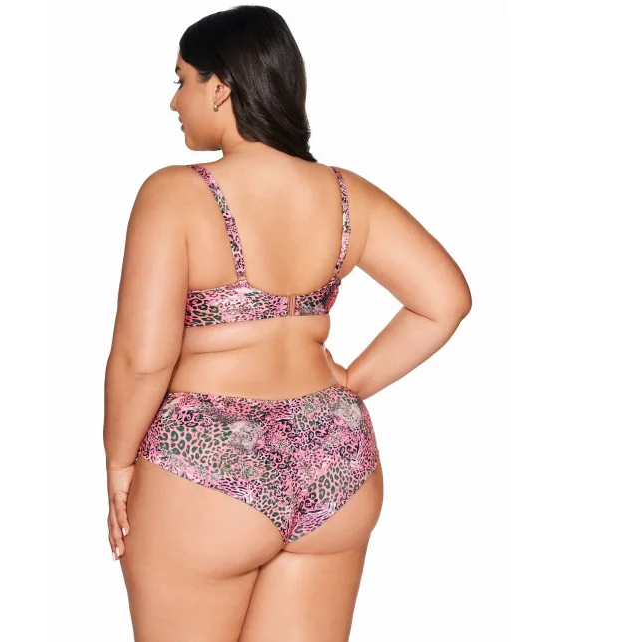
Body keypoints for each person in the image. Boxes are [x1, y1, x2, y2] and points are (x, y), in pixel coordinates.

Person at [103, 5, 471, 641]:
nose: (174, 102)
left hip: (207, 460)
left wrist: (117, 462)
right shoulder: (346, 194)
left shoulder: (174, 193)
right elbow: (445, 299)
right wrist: (352, 381)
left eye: (182, 80)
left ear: (220, 87)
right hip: (334, 457)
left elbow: (143, 358)